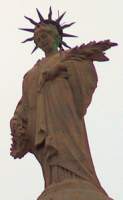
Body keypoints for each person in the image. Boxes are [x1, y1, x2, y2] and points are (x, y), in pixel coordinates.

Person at [10, 7, 116, 200]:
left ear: (58, 37)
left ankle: (79, 180)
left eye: (47, 35)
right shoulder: (31, 73)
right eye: (38, 38)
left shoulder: (68, 58)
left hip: (64, 113)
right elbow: (24, 103)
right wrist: (17, 120)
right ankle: (54, 184)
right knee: (49, 152)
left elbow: (84, 72)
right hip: (41, 118)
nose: (43, 39)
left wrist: (59, 69)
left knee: (68, 144)